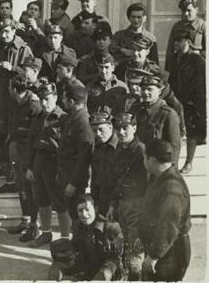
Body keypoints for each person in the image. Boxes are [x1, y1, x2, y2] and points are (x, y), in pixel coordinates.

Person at [0, 18, 33, 194]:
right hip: (1, 97)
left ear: (14, 31)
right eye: (2, 31)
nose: (4, 35)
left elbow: (30, 74)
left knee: (13, 135)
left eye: (7, 31)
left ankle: (16, 179)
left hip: (17, 99)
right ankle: (9, 177)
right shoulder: (0, 47)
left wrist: (13, 67)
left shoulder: (23, 48)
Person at [25, 81, 71, 247]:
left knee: (59, 202)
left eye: (47, 99)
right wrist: (29, 166)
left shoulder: (64, 118)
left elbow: (68, 147)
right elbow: (30, 143)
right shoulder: (38, 117)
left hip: (55, 162)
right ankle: (46, 234)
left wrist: (63, 169)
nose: (44, 103)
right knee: (42, 200)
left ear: (56, 97)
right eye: (41, 99)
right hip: (39, 161)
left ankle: (65, 239)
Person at [138, 139, 191, 281]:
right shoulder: (162, 179)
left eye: (144, 157)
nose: (143, 162)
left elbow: (168, 224)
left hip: (170, 252)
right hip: (164, 249)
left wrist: (155, 255)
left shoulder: (171, 186)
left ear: (152, 160)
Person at [106, 113, 148, 280]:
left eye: (125, 128)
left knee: (136, 248)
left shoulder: (141, 150)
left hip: (138, 204)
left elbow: (148, 182)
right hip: (123, 203)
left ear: (135, 128)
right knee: (125, 243)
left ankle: (136, 278)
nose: (121, 132)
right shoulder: (120, 150)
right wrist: (112, 205)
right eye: (118, 129)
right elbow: (117, 181)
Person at [48, 194, 125, 281]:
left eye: (87, 209)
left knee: (103, 274)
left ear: (95, 209)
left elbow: (117, 259)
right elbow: (75, 246)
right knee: (56, 266)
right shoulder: (77, 224)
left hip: (106, 267)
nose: (84, 214)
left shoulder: (111, 227)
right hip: (86, 265)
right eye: (80, 210)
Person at [4, 72, 43, 242]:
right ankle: (25, 220)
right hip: (17, 150)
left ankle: (36, 226)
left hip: (29, 153)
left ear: (13, 88)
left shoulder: (34, 105)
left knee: (31, 189)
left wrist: (23, 132)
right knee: (21, 187)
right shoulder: (14, 103)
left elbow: (38, 131)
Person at [168, 28, 206, 173]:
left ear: (189, 42)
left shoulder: (197, 60)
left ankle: (189, 162)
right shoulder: (174, 58)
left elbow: (201, 84)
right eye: (176, 40)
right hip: (176, 100)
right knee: (175, 131)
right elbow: (171, 79)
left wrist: (196, 103)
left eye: (180, 40)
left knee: (191, 132)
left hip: (191, 102)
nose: (177, 43)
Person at [57, 84, 94, 222]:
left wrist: (74, 182)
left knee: (79, 215)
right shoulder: (74, 119)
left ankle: (80, 243)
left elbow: (84, 156)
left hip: (76, 180)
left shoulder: (83, 122)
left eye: (64, 98)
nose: (62, 101)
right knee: (73, 213)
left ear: (72, 101)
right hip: (67, 174)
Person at [129, 75, 181, 167]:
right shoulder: (138, 111)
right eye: (143, 89)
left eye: (150, 89)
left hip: (158, 165)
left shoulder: (168, 114)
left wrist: (171, 169)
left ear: (159, 91)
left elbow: (174, 146)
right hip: (140, 163)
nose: (145, 92)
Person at [89, 111, 119, 218]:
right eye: (94, 131)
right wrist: (94, 199)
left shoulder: (120, 147)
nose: (98, 134)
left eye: (101, 130)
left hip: (119, 199)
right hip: (103, 197)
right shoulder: (97, 147)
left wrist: (114, 204)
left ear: (110, 127)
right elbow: (95, 176)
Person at [165, 0, 206, 72]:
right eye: (184, 11)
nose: (186, 13)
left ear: (196, 10)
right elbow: (170, 49)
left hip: (196, 67)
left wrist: (198, 55)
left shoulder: (203, 26)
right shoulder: (177, 26)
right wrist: (170, 68)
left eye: (189, 10)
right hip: (180, 66)